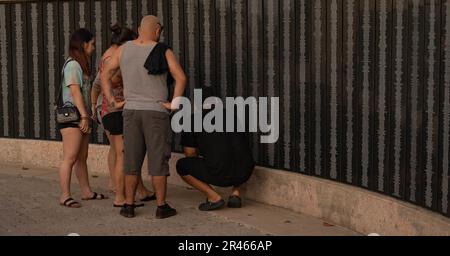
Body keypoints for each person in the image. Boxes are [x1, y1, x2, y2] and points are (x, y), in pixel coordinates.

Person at [101, 15, 187, 218]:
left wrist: (112, 101)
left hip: (130, 111)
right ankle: (161, 206)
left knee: (131, 160)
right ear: (156, 30)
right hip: (156, 112)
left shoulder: (123, 49)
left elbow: (105, 74)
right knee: (158, 161)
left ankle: (129, 205)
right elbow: (181, 77)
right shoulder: (163, 50)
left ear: (140, 29)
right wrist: (174, 104)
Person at [91, 24, 156, 208]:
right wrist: (113, 102)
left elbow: (97, 84)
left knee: (117, 150)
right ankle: (121, 197)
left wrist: (94, 107)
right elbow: (107, 82)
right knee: (124, 154)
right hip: (116, 112)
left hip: (107, 111)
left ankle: (136, 190)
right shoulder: (118, 57)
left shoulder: (107, 55)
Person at [58, 28, 107, 208]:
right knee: (70, 157)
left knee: (81, 157)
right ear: (83, 44)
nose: (94, 48)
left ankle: (86, 191)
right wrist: (85, 116)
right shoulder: (73, 65)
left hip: (81, 116)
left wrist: (88, 113)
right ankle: (65, 195)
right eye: (92, 44)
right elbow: (75, 92)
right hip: (73, 117)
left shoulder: (80, 64)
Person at [176, 101, 255, 211]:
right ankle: (235, 193)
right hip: (245, 172)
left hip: (220, 173)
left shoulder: (193, 120)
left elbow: (190, 154)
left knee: (182, 165)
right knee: (237, 154)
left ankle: (214, 198)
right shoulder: (231, 116)